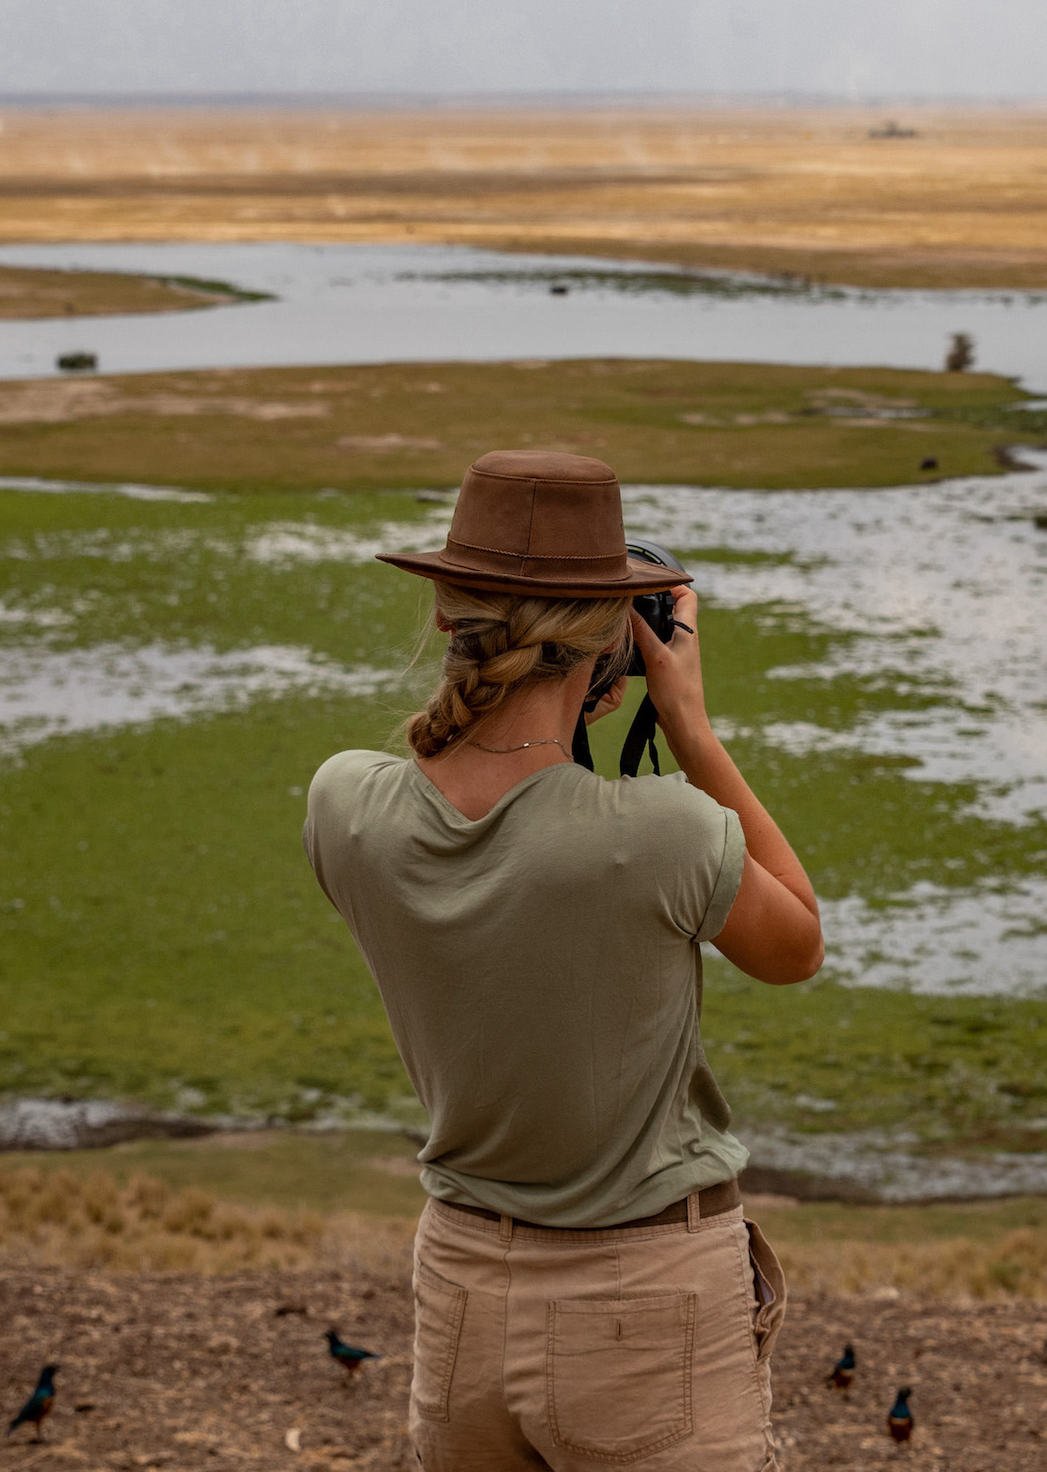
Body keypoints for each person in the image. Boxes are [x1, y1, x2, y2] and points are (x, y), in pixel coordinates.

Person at [304, 451, 822, 1472]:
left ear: (449, 623)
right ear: (606, 658)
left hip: (458, 1289)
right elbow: (796, 940)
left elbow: (483, 818)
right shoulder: (660, 833)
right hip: (643, 1301)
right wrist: (688, 722)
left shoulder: (343, 805)